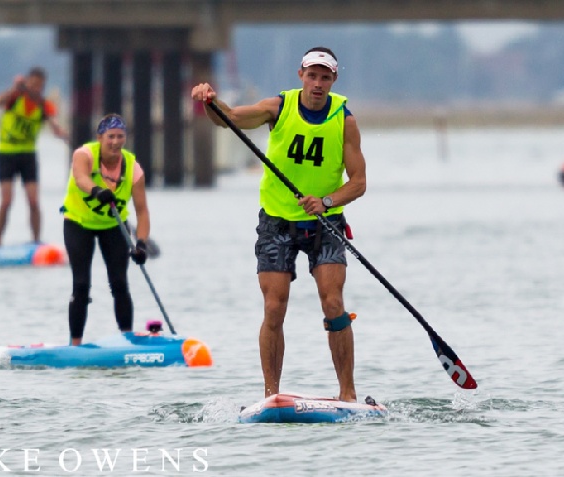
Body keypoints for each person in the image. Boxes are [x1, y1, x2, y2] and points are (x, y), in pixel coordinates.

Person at [191, 47, 367, 402]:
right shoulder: (279, 107)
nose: (318, 84)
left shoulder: (344, 120)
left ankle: (347, 393)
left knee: (333, 302)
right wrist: (211, 101)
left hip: (325, 222)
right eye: (312, 75)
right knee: (274, 306)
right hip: (277, 220)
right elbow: (230, 118)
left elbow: (359, 182)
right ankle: (271, 395)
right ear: (301, 75)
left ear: (334, 81)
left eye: (325, 77)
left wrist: (327, 201)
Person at [60, 114, 150, 346]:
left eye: (120, 136)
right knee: (81, 285)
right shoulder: (84, 155)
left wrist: (141, 243)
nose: (115, 142)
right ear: (100, 138)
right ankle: (76, 344)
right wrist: (96, 190)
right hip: (78, 223)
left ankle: (127, 340)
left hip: (113, 227)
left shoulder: (133, 168)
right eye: (110, 137)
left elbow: (142, 212)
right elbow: (80, 178)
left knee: (119, 283)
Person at [0, 66, 68, 247]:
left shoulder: (43, 105)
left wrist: (61, 132)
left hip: (28, 155)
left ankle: (36, 241)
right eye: (32, 84)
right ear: (27, 83)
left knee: (34, 201)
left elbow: (53, 121)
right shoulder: (15, 97)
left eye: (39, 86)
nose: (36, 88)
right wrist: (15, 88)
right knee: (6, 201)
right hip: (7, 153)